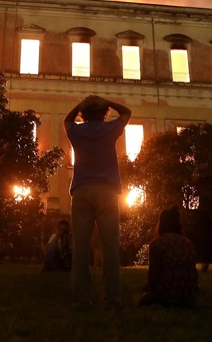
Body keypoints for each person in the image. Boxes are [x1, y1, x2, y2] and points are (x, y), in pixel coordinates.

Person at [64, 95, 131, 308]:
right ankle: (111, 298)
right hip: (107, 192)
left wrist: (80, 104)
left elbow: (67, 120)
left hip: (82, 191)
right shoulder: (110, 129)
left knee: (81, 247)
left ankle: (81, 299)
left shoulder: (76, 131)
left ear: (83, 114)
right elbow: (127, 113)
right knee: (110, 246)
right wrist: (108, 101)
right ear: (104, 113)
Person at [139, 206, 199, 308]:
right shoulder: (188, 243)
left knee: (142, 300)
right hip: (189, 296)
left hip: (166, 295)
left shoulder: (156, 244)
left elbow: (153, 277)